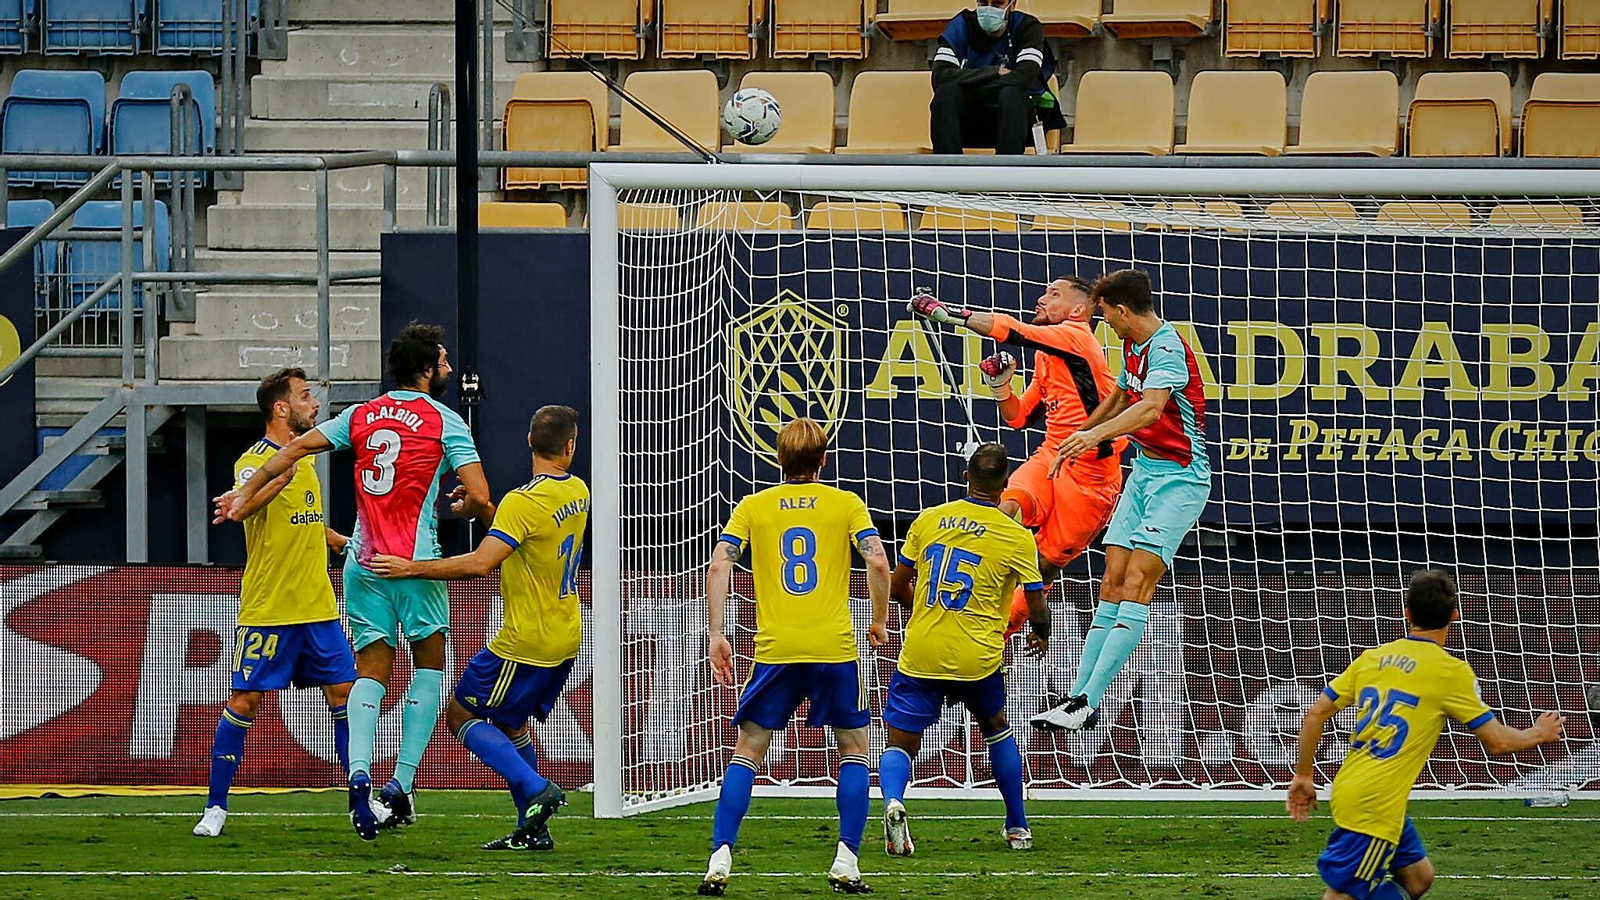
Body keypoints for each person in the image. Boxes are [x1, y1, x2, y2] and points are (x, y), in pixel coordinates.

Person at [219, 322, 495, 841]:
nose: (450, 368)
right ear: (426, 369)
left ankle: (359, 776)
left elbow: (294, 451)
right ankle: (402, 784)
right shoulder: (444, 420)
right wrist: (467, 506)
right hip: (415, 562)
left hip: (362, 562)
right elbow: (479, 494)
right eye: (443, 360)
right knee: (430, 666)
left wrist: (243, 492)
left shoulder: (361, 416)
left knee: (370, 672)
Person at [371, 405, 585, 852]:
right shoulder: (577, 492)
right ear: (570, 446)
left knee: (460, 714)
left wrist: (410, 568)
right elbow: (522, 536)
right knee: (509, 721)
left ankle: (536, 788)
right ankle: (534, 828)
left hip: (524, 639)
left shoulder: (522, 502)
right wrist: (481, 508)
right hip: (565, 634)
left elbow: (480, 563)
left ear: (529, 442)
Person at [698, 418, 892, 896]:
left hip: (776, 648)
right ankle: (846, 861)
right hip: (833, 647)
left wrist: (718, 633)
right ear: (823, 460)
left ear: (777, 459)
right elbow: (878, 559)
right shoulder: (846, 503)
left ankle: (720, 855)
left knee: (748, 751)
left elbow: (720, 561)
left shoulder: (753, 506)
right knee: (853, 749)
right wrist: (880, 620)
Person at [1287, 570, 1565, 900]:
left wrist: (1304, 774)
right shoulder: (1450, 672)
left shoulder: (1373, 658)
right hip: (1376, 806)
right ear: (1454, 615)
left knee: (1419, 877)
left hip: (1361, 791)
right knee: (1342, 896)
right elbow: (1498, 741)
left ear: (1407, 614)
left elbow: (1315, 713)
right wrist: (1538, 732)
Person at [1031, 269, 1212, 732]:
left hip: (1180, 480)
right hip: (1144, 473)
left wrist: (1093, 435)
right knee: (1110, 581)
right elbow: (1119, 394)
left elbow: (1149, 408)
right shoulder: (1133, 345)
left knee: (1135, 582)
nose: (1103, 320)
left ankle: (1088, 701)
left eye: (1105, 313)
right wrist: (1081, 435)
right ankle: (1076, 697)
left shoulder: (1168, 348)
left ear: (1122, 310)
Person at [908, 278, 1124, 644]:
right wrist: (1001, 388)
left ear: (1078, 310)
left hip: (1091, 474)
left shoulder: (1075, 336)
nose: (1041, 298)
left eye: (1054, 294)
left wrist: (947, 314)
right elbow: (1019, 417)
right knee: (1002, 509)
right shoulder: (1048, 353)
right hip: (1053, 453)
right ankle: (961, 585)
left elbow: (1011, 330)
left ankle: (999, 630)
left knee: (1044, 565)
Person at [195, 368, 356, 837]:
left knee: (345, 695)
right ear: (280, 408)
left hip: (319, 607)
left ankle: (359, 799)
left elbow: (304, 523)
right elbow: (246, 504)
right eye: (306, 397)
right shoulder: (254, 461)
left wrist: (341, 542)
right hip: (271, 608)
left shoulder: (305, 460)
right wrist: (279, 479)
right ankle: (216, 808)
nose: (315, 405)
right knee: (245, 701)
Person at [879, 443, 1048, 857]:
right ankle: (1017, 826)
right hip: (977, 656)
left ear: (965, 477)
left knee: (900, 743)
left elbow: (899, 586)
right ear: (1006, 485)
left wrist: (922, 608)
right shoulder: (1016, 537)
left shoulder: (929, 520)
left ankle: (894, 802)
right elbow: (1037, 602)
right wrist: (1041, 633)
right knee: (996, 727)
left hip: (923, 649)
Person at [930, 0, 1063, 155]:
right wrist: (993, 72)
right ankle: (948, 172)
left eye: (997, 3)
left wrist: (969, 82)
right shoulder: (962, 24)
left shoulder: (1027, 27)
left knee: (1012, 94)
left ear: (1012, 5)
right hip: (971, 124)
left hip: (1017, 125)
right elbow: (940, 77)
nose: (988, 9)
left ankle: (1007, 173)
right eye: (983, 3)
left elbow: (1024, 78)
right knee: (946, 93)